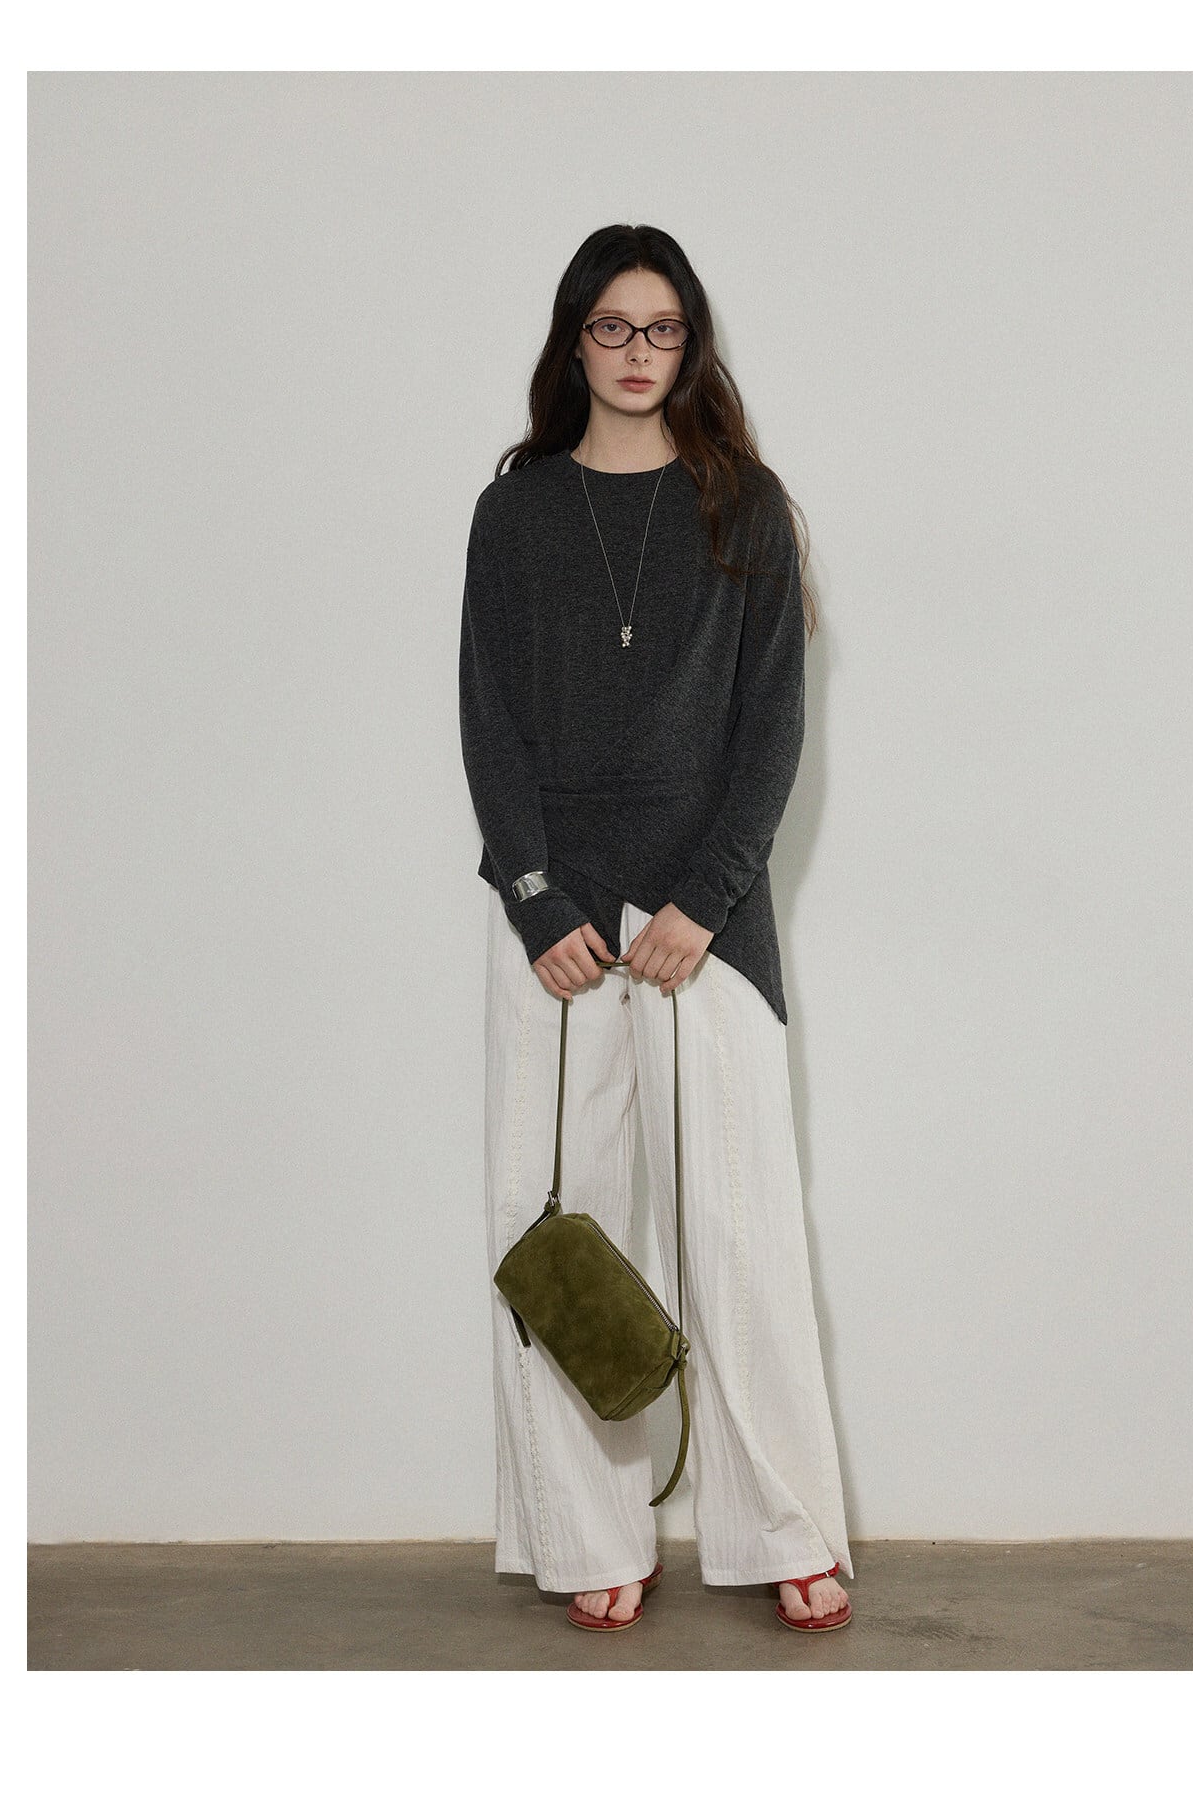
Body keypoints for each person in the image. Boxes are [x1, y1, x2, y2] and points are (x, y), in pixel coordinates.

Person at [458, 223, 854, 1635]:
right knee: (562, 1234)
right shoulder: (515, 512)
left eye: (664, 328)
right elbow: (489, 719)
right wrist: (534, 899)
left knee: (741, 1234)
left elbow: (771, 731)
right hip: (559, 928)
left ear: (693, 344)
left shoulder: (745, 506)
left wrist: (705, 897)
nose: (639, 353)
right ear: (575, 339)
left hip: (708, 924)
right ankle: (587, 1531)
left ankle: (786, 1525)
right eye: (614, 328)